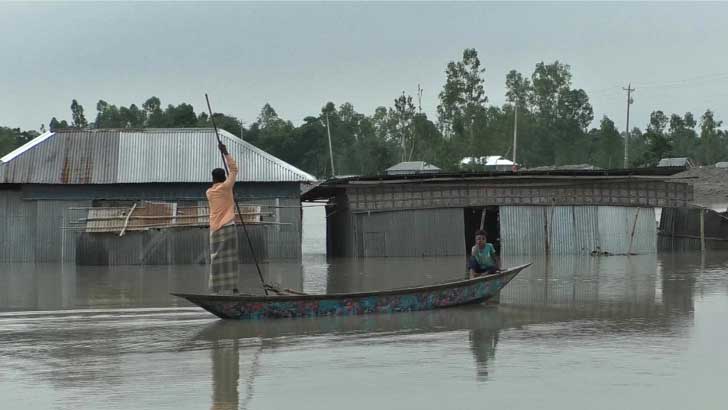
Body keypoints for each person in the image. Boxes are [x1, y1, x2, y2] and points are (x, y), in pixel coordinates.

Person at [207, 142, 240, 295]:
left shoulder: (209, 192)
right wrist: (225, 152)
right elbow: (234, 169)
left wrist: (231, 194)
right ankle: (233, 287)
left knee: (216, 257)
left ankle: (216, 289)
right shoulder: (226, 187)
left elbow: (223, 191)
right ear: (223, 177)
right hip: (228, 225)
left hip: (215, 228)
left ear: (213, 179)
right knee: (231, 257)